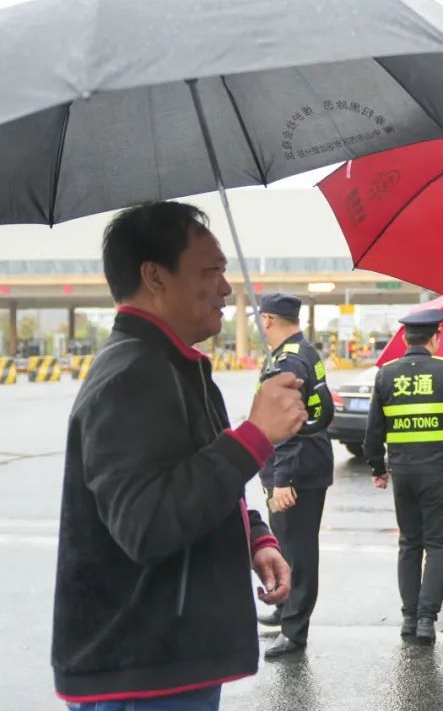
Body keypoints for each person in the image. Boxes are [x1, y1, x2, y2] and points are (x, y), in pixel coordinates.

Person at [53, 202, 306, 710]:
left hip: (168, 660)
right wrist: (256, 435)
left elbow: (198, 477)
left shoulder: (178, 366)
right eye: (211, 271)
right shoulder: (131, 376)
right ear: (155, 277)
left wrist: (254, 537)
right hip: (140, 672)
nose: (226, 289)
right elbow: (145, 525)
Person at [365, 309, 443, 640]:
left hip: (403, 472)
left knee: (409, 543)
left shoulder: (386, 374)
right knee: (440, 545)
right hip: (441, 471)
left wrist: (377, 467)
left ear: (404, 338)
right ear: (435, 338)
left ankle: (408, 618)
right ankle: (427, 619)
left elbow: (374, 430)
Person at [255, 293, 335, 659]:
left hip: (296, 470)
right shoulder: (302, 351)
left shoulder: (287, 360)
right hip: (301, 464)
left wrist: (282, 479)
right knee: (285, 543)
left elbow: (288, 424)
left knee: (298, 551)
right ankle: (285, 609)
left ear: (267, 320)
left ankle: (294, 630)